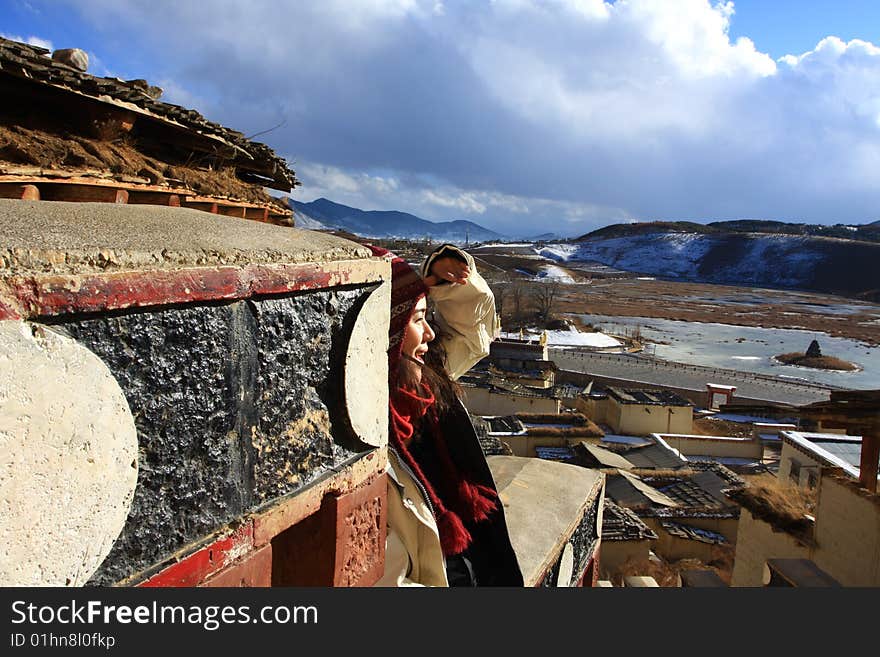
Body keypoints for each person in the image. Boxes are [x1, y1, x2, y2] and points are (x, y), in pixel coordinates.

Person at [371, 243, 523, 587]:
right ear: (387, 327)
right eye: (419, 319)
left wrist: (448, 279)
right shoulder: (369, 424)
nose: (430, 332)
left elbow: (475, 329)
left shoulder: (426, 381)